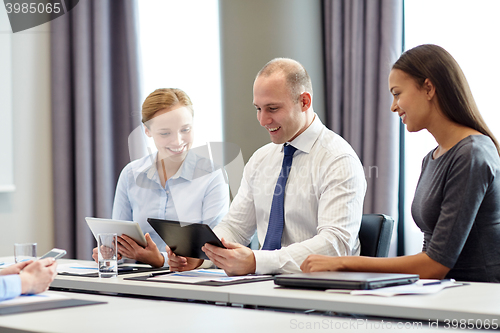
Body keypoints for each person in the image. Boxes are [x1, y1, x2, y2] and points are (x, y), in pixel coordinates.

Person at [301, 44, 500, 283]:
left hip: (476, 303)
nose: (393, 106)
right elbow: (430, 256)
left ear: (428, 88)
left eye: (397, 93)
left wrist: (343, 262)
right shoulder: (432, 158)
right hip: (443, 294)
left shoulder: (471, 155)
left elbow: (436, 265)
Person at [167, 58, 367, 275]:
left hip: (321, 294)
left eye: (272, 108)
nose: (263, 120)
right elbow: (235, 228)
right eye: (258, 109)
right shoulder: (261, 159)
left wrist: (256, 261)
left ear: (304, 102)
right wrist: (200, 255)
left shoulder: (338, 159)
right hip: (262, 289)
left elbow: (335, 244)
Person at [92, 88, 229, 267]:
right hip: (139, 285)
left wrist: (159, 260)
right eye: (165, 133)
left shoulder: (212, 175)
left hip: (194, 286)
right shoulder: (131, 174)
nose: (178, 141)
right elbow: (119, 239)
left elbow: (216, 252)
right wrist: (111, 251)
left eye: (185, 129)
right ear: (147, 131)